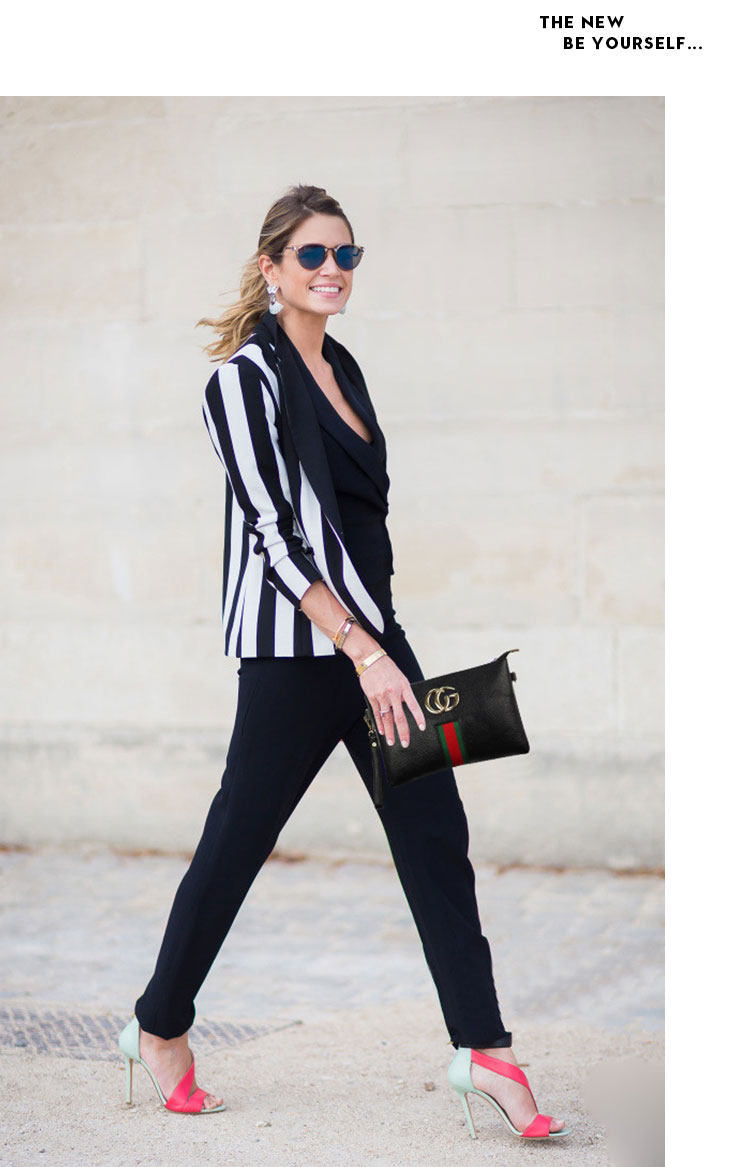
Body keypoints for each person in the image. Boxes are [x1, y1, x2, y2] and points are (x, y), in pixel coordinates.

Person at [117, 184, 568, 1141]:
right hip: (298, 653)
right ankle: (159, 1025)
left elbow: (361, 522)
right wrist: (363, 650)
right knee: (239, 839)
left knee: (436, 835)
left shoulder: (345, 369)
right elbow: (274, 536)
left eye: (346, 255)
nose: (332, 270)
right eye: (313, 255)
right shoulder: (242, 381)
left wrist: (381, 642)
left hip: (376, 643)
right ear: (272, 267)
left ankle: (485, 1049)